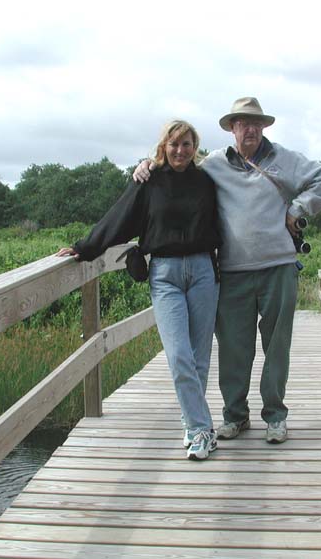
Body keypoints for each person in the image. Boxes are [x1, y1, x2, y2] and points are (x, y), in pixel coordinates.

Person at [134, 97, 321, 444]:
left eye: (256, 123)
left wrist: (298, 208)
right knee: (232, 348)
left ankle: (274, 416)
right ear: (232, 128)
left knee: (277, 346)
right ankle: (235, 415)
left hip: (278, 267)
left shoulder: (285, 159)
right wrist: (145, 165)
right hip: (232, 271)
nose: (251, 129)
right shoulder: (213, 165)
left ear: (264, 127)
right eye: (243, 123)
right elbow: (178, 168)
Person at [57, 120, 222, 460]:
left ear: (195, 148)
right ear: (164, 146)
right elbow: (119, 217)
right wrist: (84, 247)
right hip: (165, 273)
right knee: (179, 356)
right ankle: (201, 429)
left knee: (199, 357)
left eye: (187, 144)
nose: (180, 150)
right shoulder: (149, 181)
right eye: (174, 144)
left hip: (204, 270)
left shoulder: (208, 180)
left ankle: (195, 425)